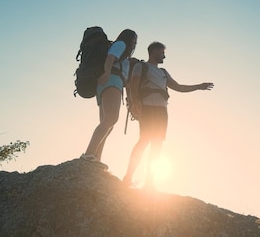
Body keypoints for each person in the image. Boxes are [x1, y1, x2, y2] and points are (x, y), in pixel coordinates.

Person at [123, 41, 213, 188]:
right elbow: (133, 85)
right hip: (147, 108)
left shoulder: (163, 72)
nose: (164, 55)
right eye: (162, 52)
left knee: (157, 145)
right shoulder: (141, 66)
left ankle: (149, 183)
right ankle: (128, 177)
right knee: (144, 141)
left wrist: (198, 86)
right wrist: (134, 104)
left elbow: (178, 87)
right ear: (154, 51)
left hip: (162, 111)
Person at [81, 29, 137, 170]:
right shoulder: (121, 44)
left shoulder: (122, 51)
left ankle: (95, 157)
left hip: (108, 83)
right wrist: (107, 73)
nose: (135, 44)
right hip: (111, 80)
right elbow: (110, 58)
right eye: (135, 40)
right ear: (130, 39)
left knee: (107, 124)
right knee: (111, 119)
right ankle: (88, 154)